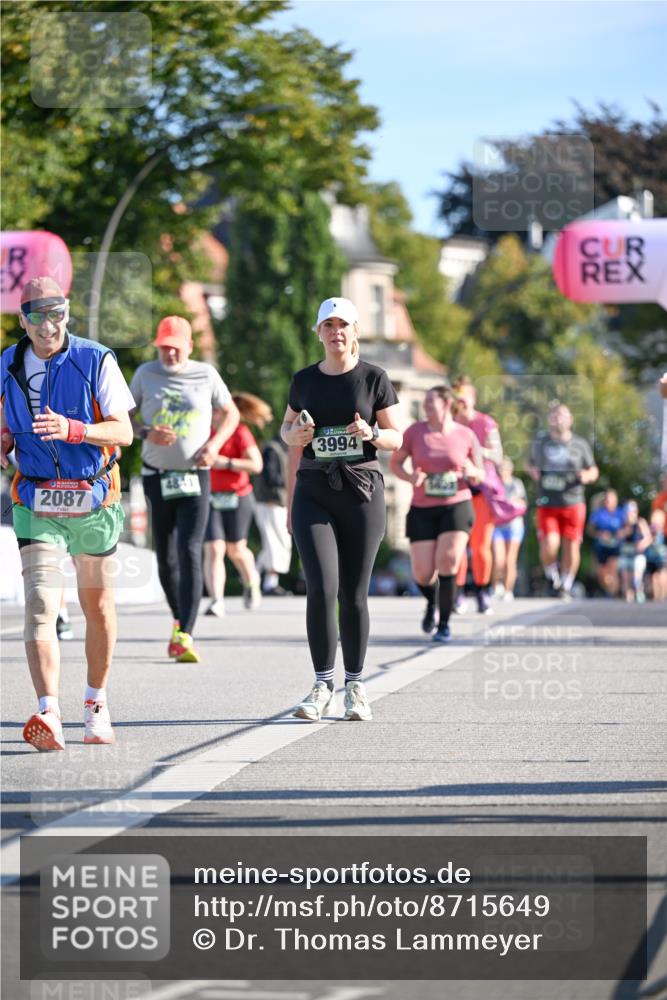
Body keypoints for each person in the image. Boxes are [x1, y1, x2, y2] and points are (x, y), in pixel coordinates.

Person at [1, 276, 134, 751]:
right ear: (23, 320)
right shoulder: (7, 364)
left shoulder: (95, 359)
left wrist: (74, 429)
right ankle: (48, 711)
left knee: (96, 605)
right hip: (36, 500)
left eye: (55, 313)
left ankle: (95, 703)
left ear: (67, 312)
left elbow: (124, 432)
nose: (47, 324)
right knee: (40, 603)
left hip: (93, 497)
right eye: (36, 315)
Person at [281, 297, 402, 722]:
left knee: (352, 594)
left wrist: (372, 433)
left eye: (343, 325)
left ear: (355, 332)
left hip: (361, 491)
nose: (336, 332)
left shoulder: (374, 378)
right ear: (319, 332)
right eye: (328, 325)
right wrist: (297, 434)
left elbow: (396, 438)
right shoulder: (304, 380)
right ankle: (320, 686)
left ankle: (354, 685)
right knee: (321, 588)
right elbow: (286, 428)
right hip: (314, 488)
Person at [130, 316, 239, 662]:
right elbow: (123, 418)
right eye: (164, 346)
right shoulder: (145, 374)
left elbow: (231, 413)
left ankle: (186, 633)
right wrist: (147, 433)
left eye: (176, 347)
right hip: (157, 475)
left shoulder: (205, 374)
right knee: (165, 554)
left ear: (189, 347)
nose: (170, 353)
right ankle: (179, 618)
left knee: (191, 548)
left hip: (195, 475)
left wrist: (216, 444)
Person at [389, 384, 483, 642]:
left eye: (431, 401)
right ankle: (432, 602)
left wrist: (472, 473)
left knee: (448, 559)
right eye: (425, 401)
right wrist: (410, 477)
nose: (426, 405)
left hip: (457, 504)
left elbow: (480, 472)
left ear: (447, 404)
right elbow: (395, 463)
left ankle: (444, 623)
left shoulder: (465, 435)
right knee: (422, 573)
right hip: (422, 507)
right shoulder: (415, 432)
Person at [203, 392, 267, 617]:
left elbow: (256, 465)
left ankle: (251, 581)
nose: (212, 414)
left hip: (238, 496)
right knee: (213, 548)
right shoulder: (203, 433)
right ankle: (216, 600)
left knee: (236, 549)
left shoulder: (240, 432)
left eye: (216, 409)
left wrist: (226, 463)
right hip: (209, 497)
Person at [526, 402, 599, 600]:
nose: (558, 419)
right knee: (550, 544)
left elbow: (593, 469)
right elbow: (529, 464)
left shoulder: (580, 444)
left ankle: (565, 584)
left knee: (571, 546)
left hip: (573, 502)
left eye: (562, 416)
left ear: (570, 420)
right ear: (550, 420)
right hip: (547, 501)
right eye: (554, 416)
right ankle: (552, 576)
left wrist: (587, 476)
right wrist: (534, 473)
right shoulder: (540, 443)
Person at [452, 375, 503, 614]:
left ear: (472, 398)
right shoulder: (449, 423)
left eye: (463, 398)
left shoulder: (486, 423)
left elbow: (498, 456)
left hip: (482, 490)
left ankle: (483, 591)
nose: (460, 404)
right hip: (456, 489)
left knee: (481, 546)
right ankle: (458, 593)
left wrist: (475, 448)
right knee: (457, 545)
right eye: (456, 399)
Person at [254, 431, 293, 596]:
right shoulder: (273, 449)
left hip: (276, 503)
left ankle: (252, 577)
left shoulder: (277, 449)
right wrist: (291, 481)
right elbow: (271, 477)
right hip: (269, 503)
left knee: (274, 543)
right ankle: (268, 583)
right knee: (274, 543)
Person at [491, 457, 527, 601]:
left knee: (510, 559)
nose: (502, 471)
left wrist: (512, 502)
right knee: (498, 559)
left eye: (505, 468)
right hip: (497, 525)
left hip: (514, 526)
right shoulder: (494, 484)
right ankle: (495, 586)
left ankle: (508, 590)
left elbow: (523, 503)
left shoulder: (516, 484)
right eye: (500, 468)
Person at [587, 488, 625, 597]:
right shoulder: (598, 513)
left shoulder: (620, 513)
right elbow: (590, 529)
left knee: (612, 570)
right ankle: (609, 590)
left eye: (611, 499)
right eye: (607, 499)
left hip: (615, 547)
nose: (608, 501)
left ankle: (613, 595)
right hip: (601, 547)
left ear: (615, 500)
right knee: (602, 574)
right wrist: (599, 534)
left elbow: (628, 528)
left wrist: (620, 533)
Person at [617, 500, 652, 603]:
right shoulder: (623, 524)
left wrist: (641, 544)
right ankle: (628, 596)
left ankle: (639, 592)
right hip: (625, 553)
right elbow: (618, 537)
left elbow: (648, 538)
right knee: (626, 577)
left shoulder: (640, 522)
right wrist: (625, 532)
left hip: (637, 555)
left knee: (636, 577)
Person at [646, 508, 667, 601]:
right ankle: (656, 595)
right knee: (654, 577)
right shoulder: (650, 530)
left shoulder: (663, 532)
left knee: (662, 574)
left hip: (661, 557)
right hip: (651, 557)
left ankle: (662, 595)